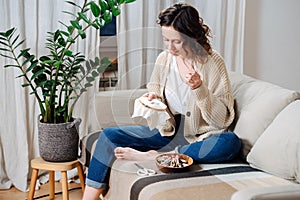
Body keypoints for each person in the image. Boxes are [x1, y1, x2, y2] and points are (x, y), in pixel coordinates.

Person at [82, 3, 241, 199]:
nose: (170, 47)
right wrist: (153, 98)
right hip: (167, 131)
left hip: (201, 135)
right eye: (166, 40)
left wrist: (199, 88)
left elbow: (220, 119)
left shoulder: (213, 62)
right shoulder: (164, 59)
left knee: (230, 143)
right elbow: (155, 90)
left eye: (176, 41)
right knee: (108, 135)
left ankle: (158, 156)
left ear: (191, 37)